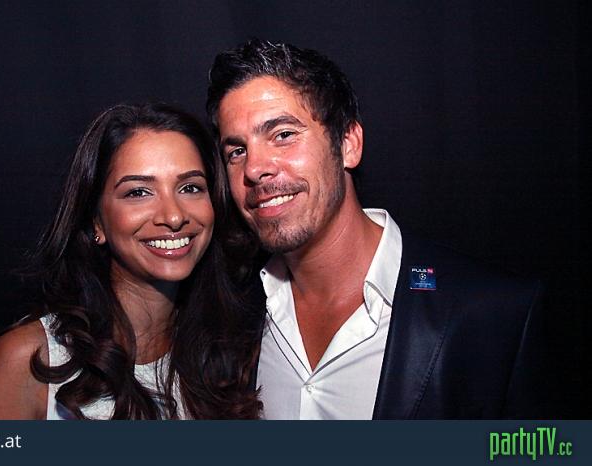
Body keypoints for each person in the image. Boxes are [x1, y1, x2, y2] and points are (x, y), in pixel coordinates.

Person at [206, 39, 551, 419]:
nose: (254, 168)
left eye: (283, 135)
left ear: (348, 144)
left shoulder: (491, 315)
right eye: (236, 151)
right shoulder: (230, 316)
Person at [0, 103, 261, 419]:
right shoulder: (31, 358)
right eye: (138, 192)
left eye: (190, 187)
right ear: (96, 221)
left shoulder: (232, 353)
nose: (173, 216)